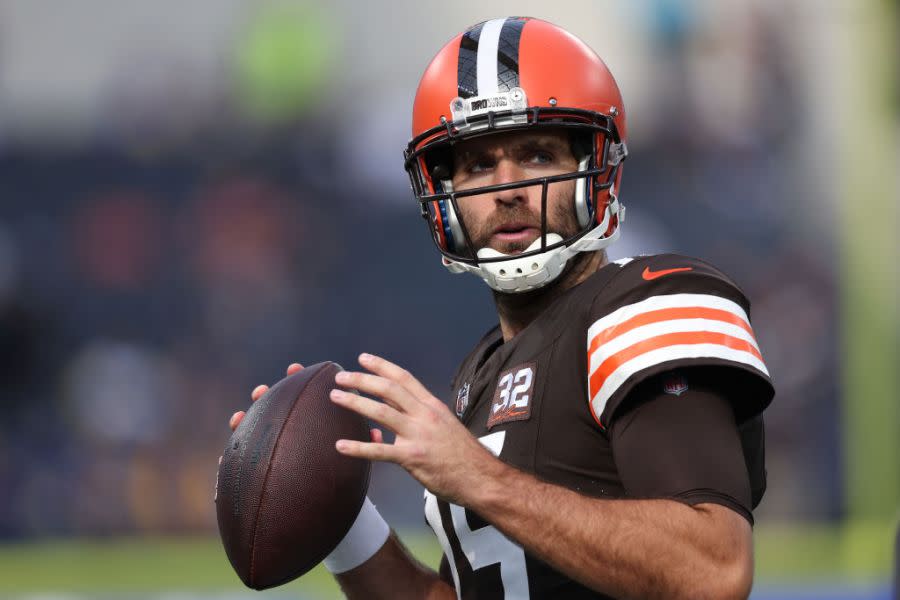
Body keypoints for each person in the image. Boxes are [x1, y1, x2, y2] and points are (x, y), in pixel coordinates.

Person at [227, 17, 774, 599]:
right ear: (445, 195)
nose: (507, 187)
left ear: (596, 169)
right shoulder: (481, 372)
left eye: (536, 155)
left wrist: (482, 480)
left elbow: (712, 571)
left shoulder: (649, 303)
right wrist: (337, 506)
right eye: (480, 166)